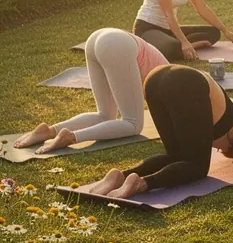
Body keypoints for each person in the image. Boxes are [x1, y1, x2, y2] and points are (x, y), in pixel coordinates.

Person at [79, 64, 233, 200]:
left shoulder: (232, 125)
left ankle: (122, 176)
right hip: (183, 83)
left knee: (177, 156)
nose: (227, 155)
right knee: (197, 166)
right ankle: (141, 183)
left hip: (155, 80)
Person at [15, 28, 168, 152]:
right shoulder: (174, 81)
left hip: (99, 39)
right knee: (133, 124)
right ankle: (71, 137)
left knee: (105, 115)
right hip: (117, 45)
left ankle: (49, 131)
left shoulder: (170, 72)